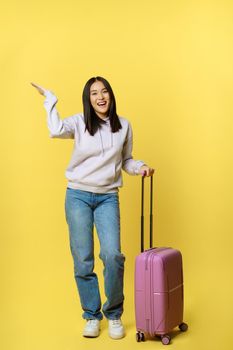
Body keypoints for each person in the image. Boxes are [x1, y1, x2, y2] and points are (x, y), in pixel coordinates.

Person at [31, 77, 154, 339]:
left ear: (111, 95)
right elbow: (54, 130)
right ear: (88, 99)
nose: (100, 97)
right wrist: (50, 100)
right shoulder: (79, 122)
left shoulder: (124, 126)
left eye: (104, 91)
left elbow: (127, 161)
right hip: (77, 195)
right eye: (94, 93)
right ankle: (91, 314)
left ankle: (114, 314)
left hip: (108, 197)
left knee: (112, 255)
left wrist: (140, 167)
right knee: (83, 258)